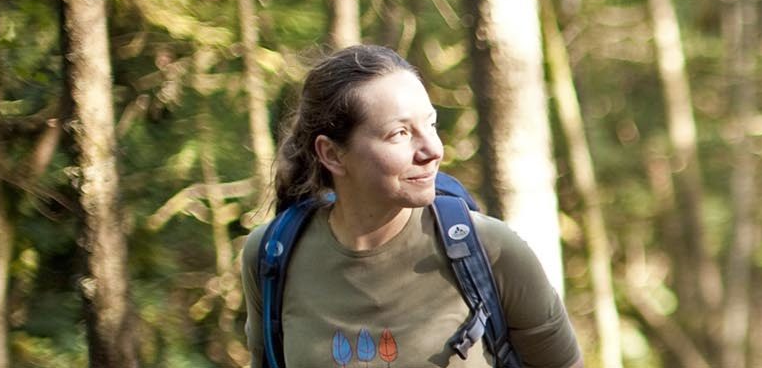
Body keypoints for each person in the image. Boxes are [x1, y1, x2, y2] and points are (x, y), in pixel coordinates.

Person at [241, 45, 580, 367]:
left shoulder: (492, 250)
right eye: (400, 133)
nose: (433, 149)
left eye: (430, 124)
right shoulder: (272, 254)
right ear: (331, 154)